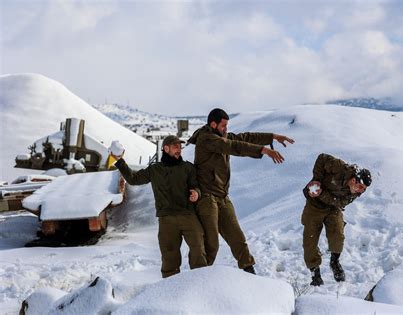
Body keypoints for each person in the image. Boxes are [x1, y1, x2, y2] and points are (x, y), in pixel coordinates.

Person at [187, 108, 294, 274]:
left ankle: (249, 272)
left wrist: (271, 136)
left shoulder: (220, 135)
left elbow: (245, 137)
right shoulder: (206, 139)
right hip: (207, 197)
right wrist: (263, 150)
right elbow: (233, 146)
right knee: (211, 244)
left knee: (237, 238)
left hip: (222, 197)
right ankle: (197, 278)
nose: (226, 129)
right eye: (223, 126)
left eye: (227, 126)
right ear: (213, 124)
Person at [112, 135, 207, 278]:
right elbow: (133, 179)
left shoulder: (188, 167)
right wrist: (119, 160)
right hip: (166, 219)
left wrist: (196, 193)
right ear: (166, 148)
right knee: (169, 257)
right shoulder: (155, 170)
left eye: (180, 147)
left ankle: (200, 282)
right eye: (175, 146)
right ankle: (169, 290)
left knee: (199, 250)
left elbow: (196, 186)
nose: (179, 150)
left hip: (188, 215)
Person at [301, 153, 371, 286]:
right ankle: (315, 273)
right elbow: (321, 158)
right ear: (354, 180)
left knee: (338, 235)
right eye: (360, 187)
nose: (361, 191)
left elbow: (339, 202)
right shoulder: (339, 167)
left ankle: (334, 261)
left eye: (364, 190)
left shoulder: (356, 193)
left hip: (333, 207)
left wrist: (321, 193)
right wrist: (317, 181)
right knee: (310, 240)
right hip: (314, 205)